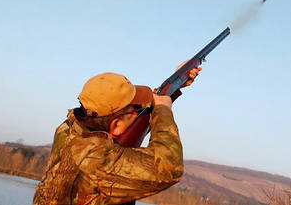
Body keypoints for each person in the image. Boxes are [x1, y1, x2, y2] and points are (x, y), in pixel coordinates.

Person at [33, 66, 201, 205]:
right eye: (136, 109)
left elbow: (136, 124)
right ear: (116, 126)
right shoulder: (98, 162)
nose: (139, 111)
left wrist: (173, 86)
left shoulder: (69, 128)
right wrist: (164, 110)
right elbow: (169, 168)